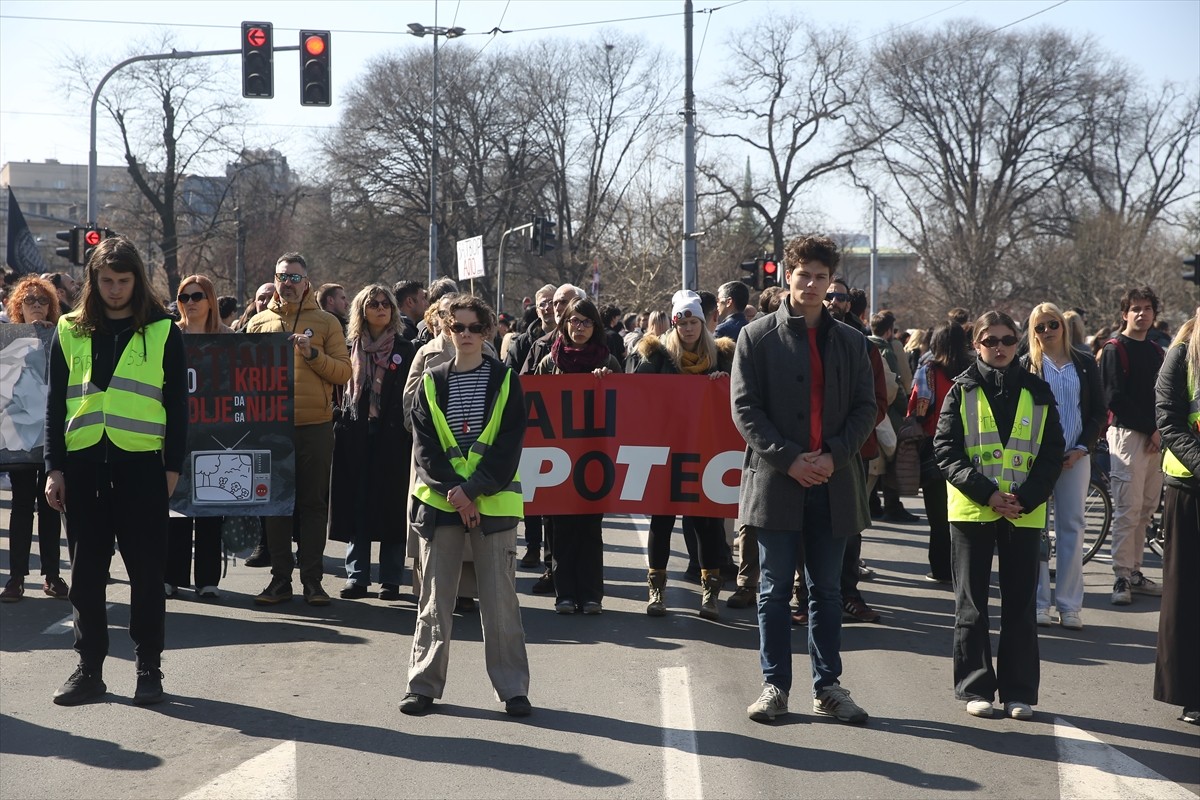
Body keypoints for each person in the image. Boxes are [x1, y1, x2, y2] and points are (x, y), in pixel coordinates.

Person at [731, 234, 876, 725]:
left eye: (821, 277)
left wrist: (834, 455)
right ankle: (774, 686)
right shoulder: (757, 337)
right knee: (772, 589)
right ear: (785, 276)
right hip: (777, 481)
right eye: (803, 275)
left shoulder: (854, 341)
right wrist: (790, 459)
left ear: (831, 282)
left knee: (828, 591)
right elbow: (744, 409)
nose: (811, 285)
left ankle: (828, 686)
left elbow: (866, 407)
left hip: (833, 484)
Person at [43, 236, 188, 706]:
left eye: (123, 281)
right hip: (83, 466)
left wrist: (172, 467)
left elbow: (179, 406)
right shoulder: (68, 328)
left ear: (137, 281)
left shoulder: (164, 329)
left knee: (146, 574)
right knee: (85, 576)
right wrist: (54, 468)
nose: (115, 289)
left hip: (141, 467)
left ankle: (149, 668)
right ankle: (90, 670)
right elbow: (52, 405)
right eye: (106, 280)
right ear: (93, 280)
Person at [401, 294, 531, 717]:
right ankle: (422, 685)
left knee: (500, 604)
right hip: (442, 505)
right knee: (435, 602)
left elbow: (508, 448)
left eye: (476, 327)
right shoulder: (431, 382)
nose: (467, 335)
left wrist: (471, 491)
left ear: (489, 331)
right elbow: (426, 451)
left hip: (491, 504)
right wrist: (456, 494)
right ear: (445, 329)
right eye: (459, 327)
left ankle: (513, 690)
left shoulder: (507, 380)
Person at [935, 310, 1064, 720]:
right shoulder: (961, 391)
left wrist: (1024, 497)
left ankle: (1018, 692)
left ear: (1018, 343)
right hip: (974, 510)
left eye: (1008, 340)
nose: (1001, 347)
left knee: (1021, 606)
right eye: (990, 341)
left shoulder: (1039, 391)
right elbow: (946, 451)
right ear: (977, 345)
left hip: (1023, 513)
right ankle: (976, 688)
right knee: (971, 605)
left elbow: (1050, 454)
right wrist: (989, 494)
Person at [246, 253, 351, 606]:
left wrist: (312, 355)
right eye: (282, 277)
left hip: (315, 425)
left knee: (312, 504)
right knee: (275, 505)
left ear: (307, 283)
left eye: (295, 278)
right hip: (270, 428)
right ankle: (279, 580)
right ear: (274, 280)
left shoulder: (325, 323)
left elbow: (343, 373)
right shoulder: (258, 323)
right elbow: (242, 376)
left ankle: (313, 582)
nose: (288, 283)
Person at [626, 289, 735, 619]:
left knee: (707, 522)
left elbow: (741, 395)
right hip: (666, 450)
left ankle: (710, 594)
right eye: (681, 322)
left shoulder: (721, 356)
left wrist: (724, 381)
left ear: (703, 323)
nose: (688, 328)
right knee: (661, 519)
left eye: (693, 321)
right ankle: (656, 590)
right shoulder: (658, 356)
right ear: (674, 325)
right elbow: (635, 389)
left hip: (707, 450)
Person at [533, 296, 621, 614]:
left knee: (590, 527)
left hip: (594, 456)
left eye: (586, 322)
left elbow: (624, 405)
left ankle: (592, 594)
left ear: (595, 327)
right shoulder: (549, 363)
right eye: (574, 321)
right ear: (564, 324)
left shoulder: (608, 362)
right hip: (557, 458)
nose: (579, 328)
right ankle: (565, 594)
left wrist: (608, 383)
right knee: (561, 528)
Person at [1021, 303, 1105, 630]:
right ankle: (1040, 602)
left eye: (1052, 324)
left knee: (1072, 528)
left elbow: (1098, 411)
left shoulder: (1084, 362)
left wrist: (1083, 446)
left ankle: (1069, 605)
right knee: (1035, 530)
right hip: (1035, 461)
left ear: (1063, 326)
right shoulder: (1026, 365)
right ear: (1032, 331)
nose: (1047, 332)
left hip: (1075, 458)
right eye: (1039, 327)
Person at [329, 285, 415, 601]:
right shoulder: (349, 347)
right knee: (358, 505)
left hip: (393, 437)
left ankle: (390, 580)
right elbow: (336, 387)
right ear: (361, 310)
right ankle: (357, 577)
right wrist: (338, 415)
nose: (380, 308)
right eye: (373, 303)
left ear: (393, 310)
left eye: (385, 304)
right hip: (355, 434)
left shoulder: (406, 350)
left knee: (391, 507)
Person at [0, 275, 67, 603]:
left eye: (42, 301)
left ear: (51, 306)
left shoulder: (61, 335)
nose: (36, 306)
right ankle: (16, 578)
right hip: (19, 436)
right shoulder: (6, 339)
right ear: (18, 306)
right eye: (30, 301)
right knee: (22, 506)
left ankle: (52, 576)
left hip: (53, 433)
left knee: (52, 505)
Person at [165, 274, 231, 600]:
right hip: (176, 431)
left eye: (196, 296)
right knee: (176, 507)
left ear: (210, 300)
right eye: (184, 296)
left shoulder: (229, 338)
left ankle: (207, 579)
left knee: (210, 506)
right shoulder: (169, 336)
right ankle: (171, 576)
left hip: (216, 435)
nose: (190, 302)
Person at [1100, 286, 1166, 605]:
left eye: (1147, 308)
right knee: (1128, 509)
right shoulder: (1115, 348)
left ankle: (1136, 571)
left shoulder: (1156, 351)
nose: (1141, 314)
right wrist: (1151, 429)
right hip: (1127, 436)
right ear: (1124, 313)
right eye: (1135, 308)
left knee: (1146, 509)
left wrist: (1160, 431)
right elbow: (1114, 398)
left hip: (1154, 438)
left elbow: (1162, 395)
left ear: (1155, 314)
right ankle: (1121, 576)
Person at [1154, 312, 1200, 725]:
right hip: (1190, 488)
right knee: (1186, 592)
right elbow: (1168, 420)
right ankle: (1191, 692)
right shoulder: (1183, 355)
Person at [908, 323, 972, 582]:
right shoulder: (975, 369)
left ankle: (941, 569)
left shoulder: (929, 372)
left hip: (936, 449)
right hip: (971, 450)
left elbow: (917, 410)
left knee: (938, 516)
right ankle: (965, 568)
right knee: (966, 514)